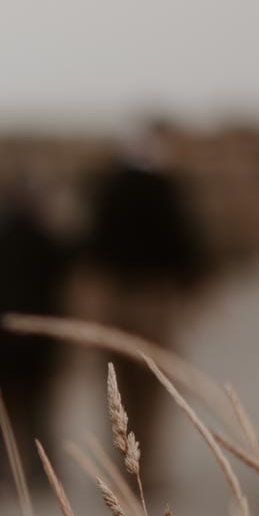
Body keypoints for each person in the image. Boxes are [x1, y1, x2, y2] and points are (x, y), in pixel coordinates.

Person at [77, 127, 214, 482]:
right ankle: (145, 471)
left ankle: (120, 466)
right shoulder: (167, 191)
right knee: (153, 388)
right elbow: (188, 247)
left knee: (113, 388)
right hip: (155, 301)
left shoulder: (107, 189)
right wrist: (195, 292)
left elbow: (89, 246)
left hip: (113, 300)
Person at [0, 176, 74, 473]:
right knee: (38, 406)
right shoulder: (42, 232)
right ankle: (41, 470)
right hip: (36, 336)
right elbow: (65, 269)